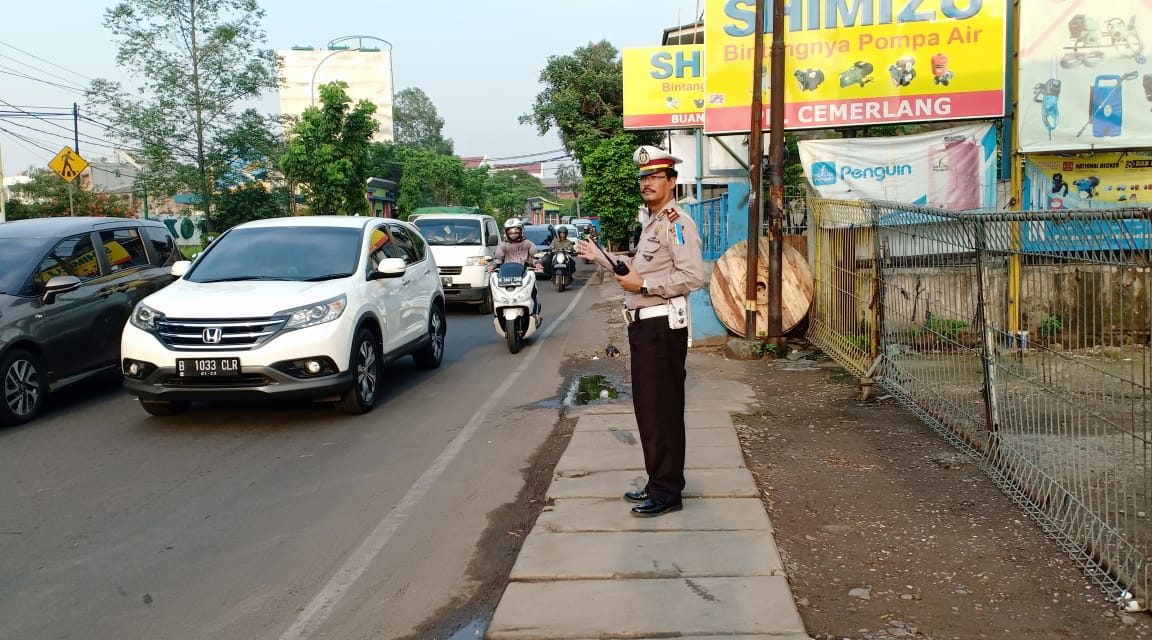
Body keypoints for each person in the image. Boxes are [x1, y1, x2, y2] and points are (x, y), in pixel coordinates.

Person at [576, 145, 705, 518]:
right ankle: (657, 481)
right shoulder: (651, 221)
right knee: (649, 410)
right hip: (646, 329)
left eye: (655, 177)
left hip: (662, 326)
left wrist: (644, 285)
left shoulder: (677, 222)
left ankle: (667, 492)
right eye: (644, 178)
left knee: (661, 410)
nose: (647, 183)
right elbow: (633, 267)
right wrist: (603, 259)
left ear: (672, 181)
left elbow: (691, 276)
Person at [490, 217, 541, 315]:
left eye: (516, 230)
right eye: (510, 231)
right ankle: (498, 313)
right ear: (506, 232)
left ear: (521, 230)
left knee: (533, 290)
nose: (513, 233)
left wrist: (537, 263)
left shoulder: (528, 244)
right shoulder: (503, 245)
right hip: (506, 276)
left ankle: (535, 312)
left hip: (524, 275)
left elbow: (533, 258)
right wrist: (492, 265)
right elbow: (498, 259)